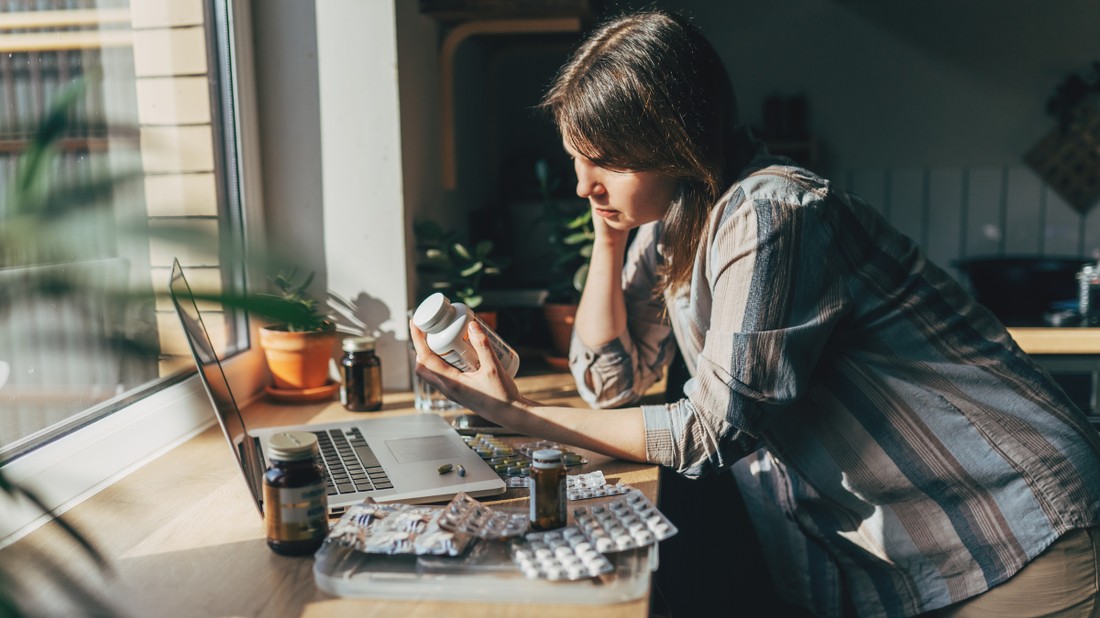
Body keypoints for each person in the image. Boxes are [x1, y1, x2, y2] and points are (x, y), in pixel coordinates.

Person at [410, 9, 1100, 618]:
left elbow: (712, 432)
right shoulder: (672, 222)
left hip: (1015, 524)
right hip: (932, 547)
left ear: (675, 143)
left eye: (606, 164)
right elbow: (610, 382)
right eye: (576, 160)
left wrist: (517, 416)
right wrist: (609, 230)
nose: (582, 185)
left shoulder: (770, 213)